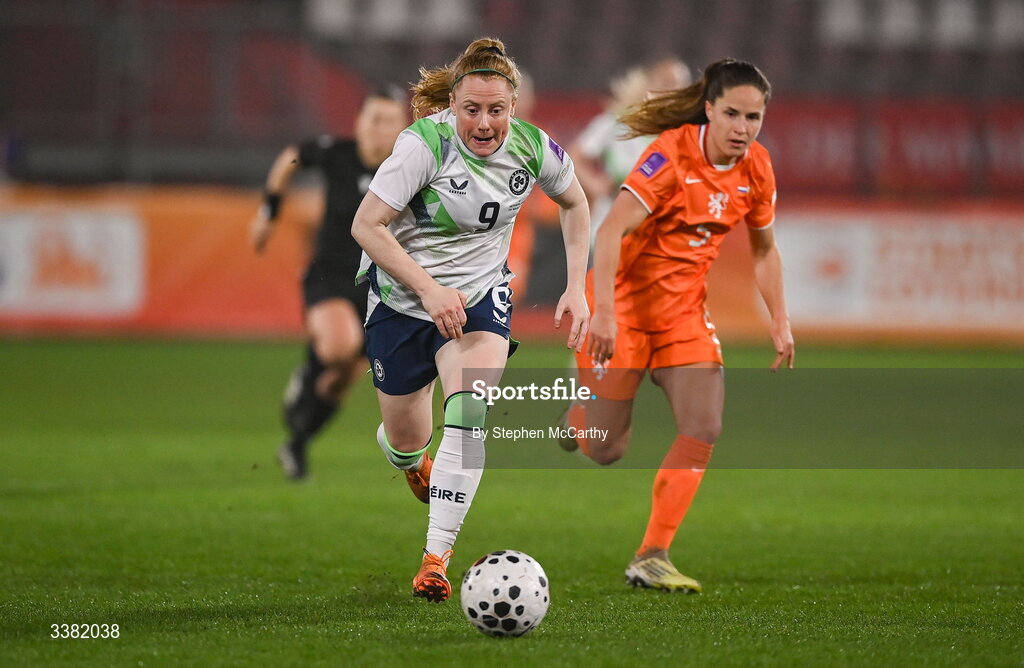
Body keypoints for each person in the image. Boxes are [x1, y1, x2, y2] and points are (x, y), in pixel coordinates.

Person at [351, 37, 590, 603]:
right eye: (472, 109)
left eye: (497, 110)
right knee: (409, 437)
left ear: (514, 107)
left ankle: (436, 558)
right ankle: (409, 458)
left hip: (482, 296)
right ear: (451, 105)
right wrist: (429, 290)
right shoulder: (420, 146)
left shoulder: (534, 149)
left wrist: (577, 288)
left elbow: (576, 204)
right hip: (402, 303)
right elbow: (366, 227)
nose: (485, 123)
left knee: (469, 413)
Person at [559, 59, 794, 593]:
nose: (742, 128)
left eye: (753, 117)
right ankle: (579, 420)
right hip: (619, 303)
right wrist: (606, 316)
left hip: (683, 312)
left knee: (704, 423)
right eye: (732, 113)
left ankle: (651, 555)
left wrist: (779, 320)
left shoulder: (758, 168)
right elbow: (612, 230)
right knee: (607, 448)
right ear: (708, 109)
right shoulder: (671, 154)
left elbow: (764, 252)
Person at [250, 85, 409, 480]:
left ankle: (298, 441)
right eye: (374, 118)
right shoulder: (337, 154)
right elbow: (292, 157)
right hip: (330, 274)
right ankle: (312, 369)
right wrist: (270, 209)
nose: (380, 128)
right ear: (358, 123)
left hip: (379, 286)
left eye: (390, 120)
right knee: (341, 348)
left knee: (341, 380)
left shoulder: (410, 166)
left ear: (404, 126)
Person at [569, 57, 691, 246]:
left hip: (660, 238)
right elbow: (574, 156)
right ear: (649, 85)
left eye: (679, 87)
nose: (672, 93)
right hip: (611, 231)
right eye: (666, 84)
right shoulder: (618, 123)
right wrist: (595, 186)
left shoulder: (689, 135)